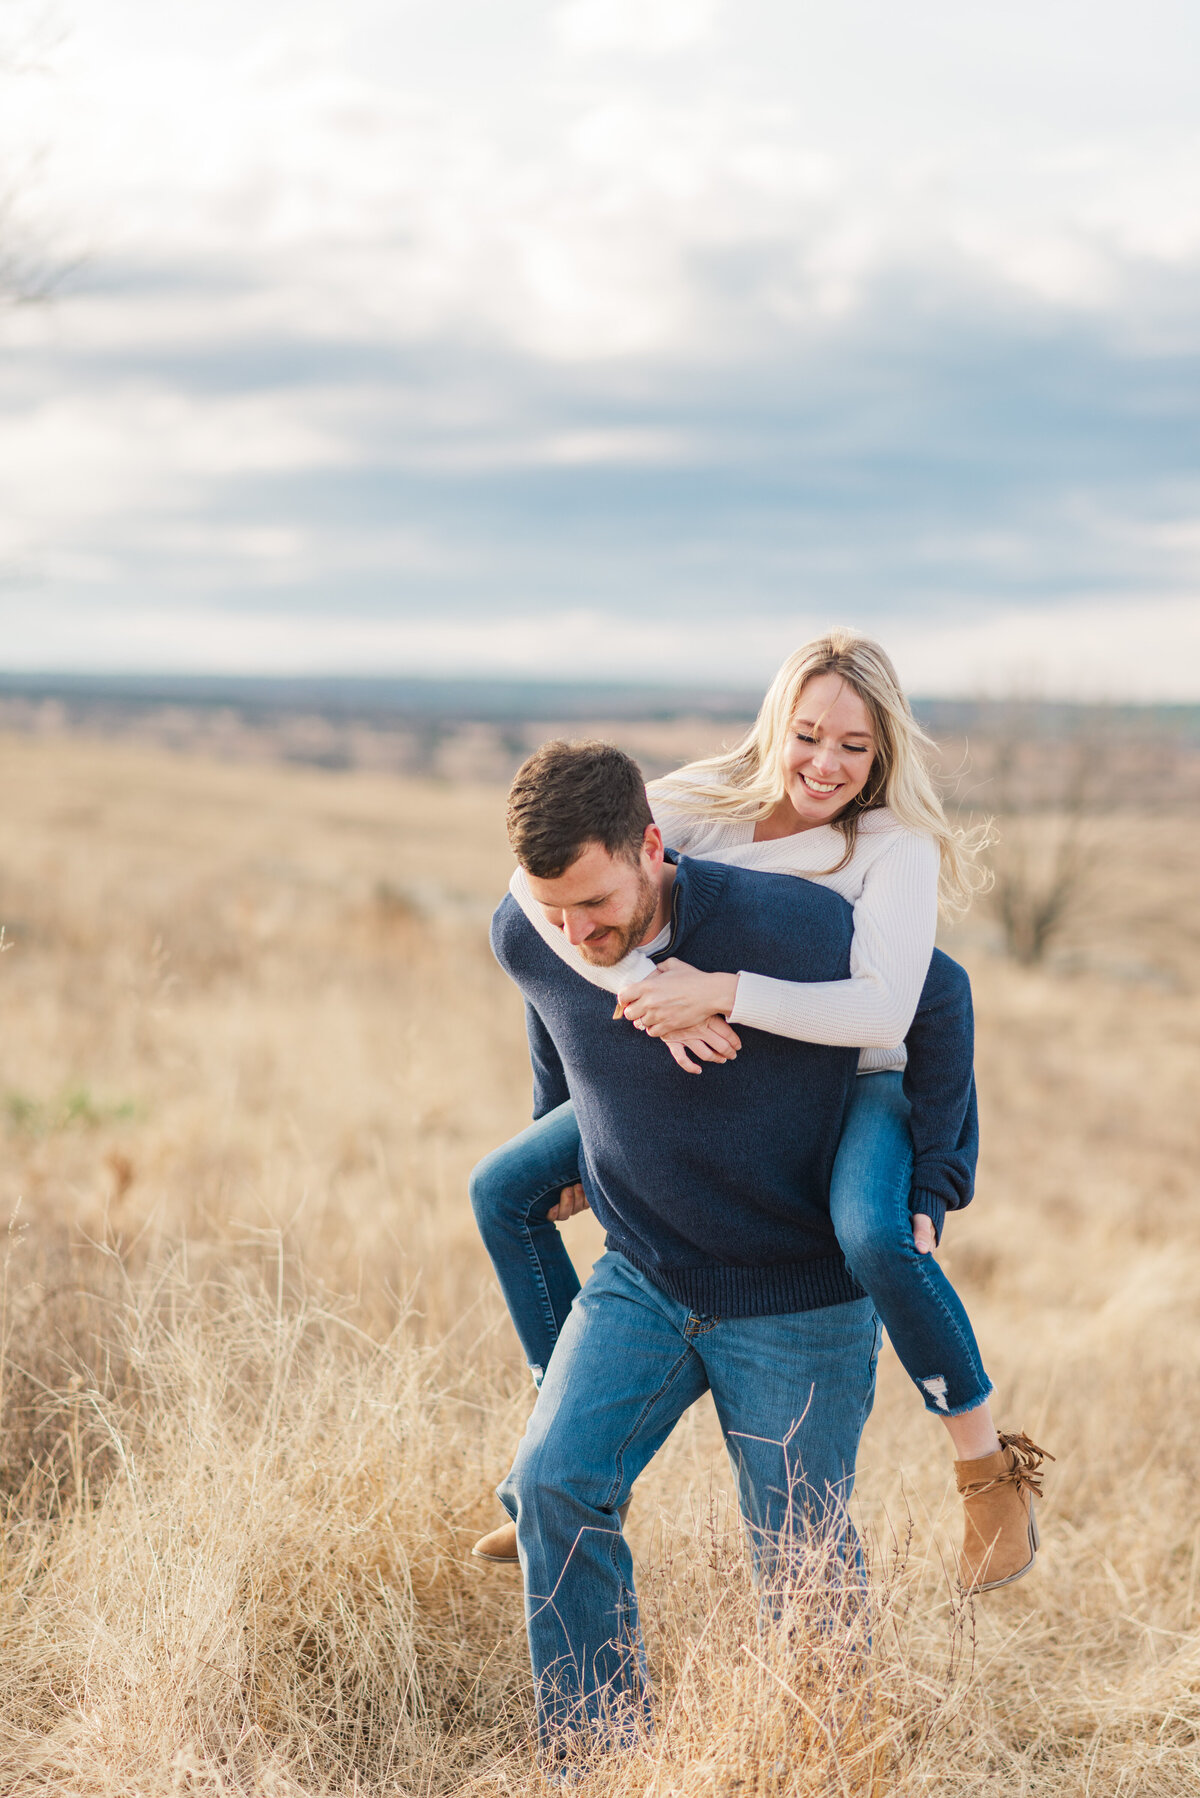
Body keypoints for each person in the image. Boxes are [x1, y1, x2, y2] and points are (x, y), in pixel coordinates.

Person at [471, 631, 1050, 1595]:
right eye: (809, 734)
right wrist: (626, 1013)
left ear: (883, 754)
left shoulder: (889, 849)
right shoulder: (701, 804)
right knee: (503, 1189)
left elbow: (915, 1003)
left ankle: (987, 1470)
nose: (826, 763)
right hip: (704, 1083)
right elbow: (549, 922)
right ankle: (549, 1464)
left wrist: (719, 993)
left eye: (854, 747)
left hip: (862, 1075)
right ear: (777, 724)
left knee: (873, 1234)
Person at [486, 738, 979, 1762]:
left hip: (795, 1295)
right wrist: (556, 1119)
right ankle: (601, 1761)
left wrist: (934, 1179)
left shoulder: (789, 924)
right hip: (644, 1277)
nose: (578, 932)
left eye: (595, 903)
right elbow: (551, 997)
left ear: (652, 847)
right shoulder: (536, 926)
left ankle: (827, 1769)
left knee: (804, 1565)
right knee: (553, 1484)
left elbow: (936, 998)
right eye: (556, 908)